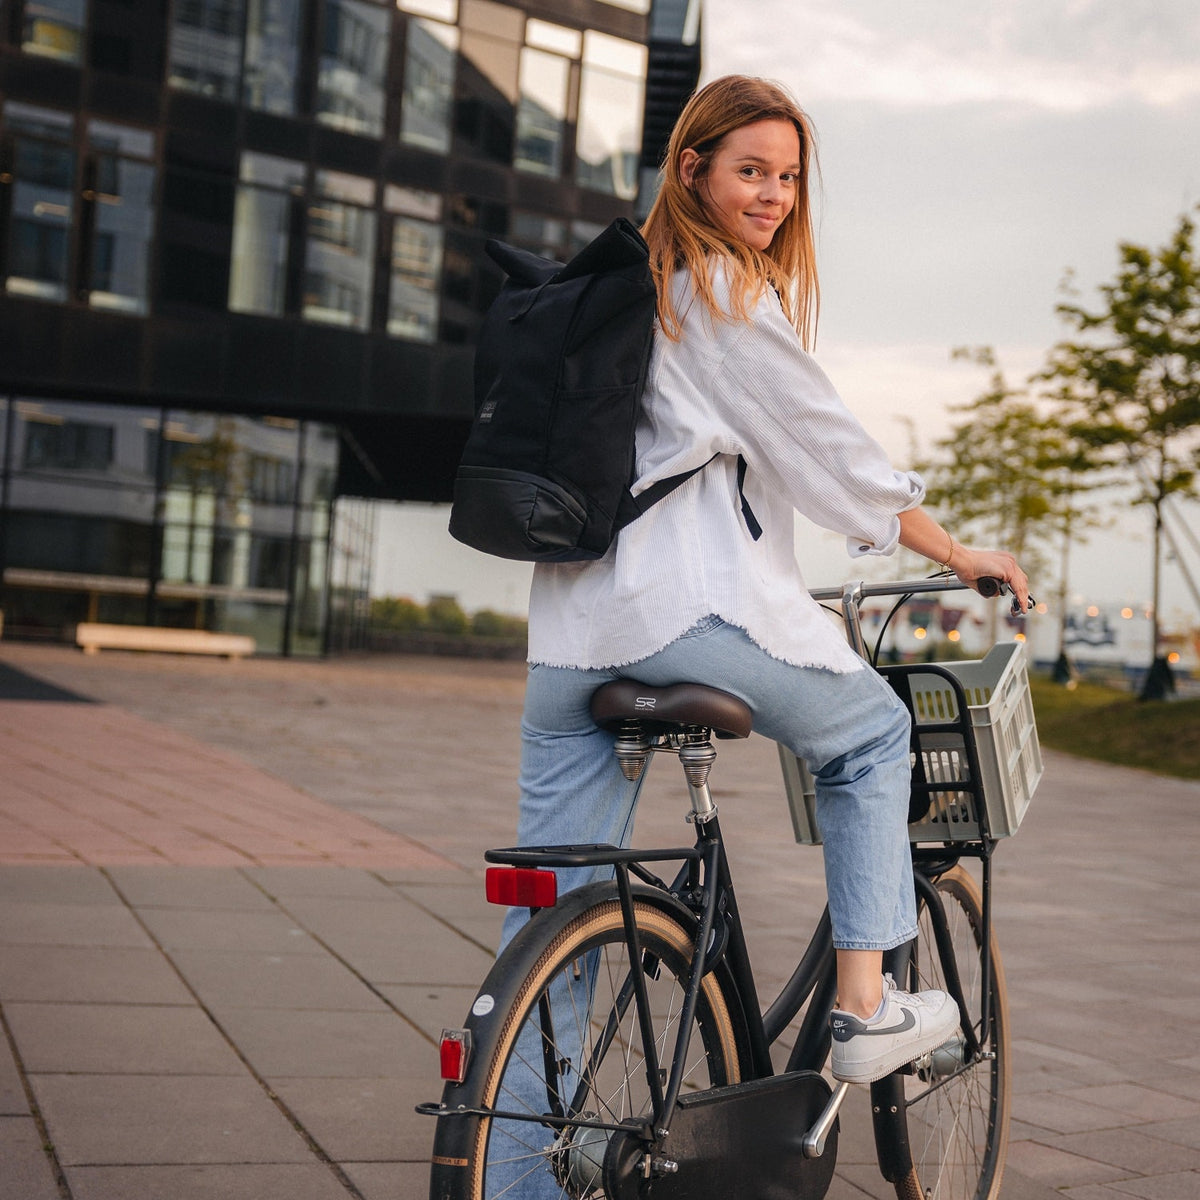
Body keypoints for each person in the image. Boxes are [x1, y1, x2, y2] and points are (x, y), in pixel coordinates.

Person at [500, 75, 1029, 1093]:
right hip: (676, 618)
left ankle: (515, 1168)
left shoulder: (624, 285)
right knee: (874, 733)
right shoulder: (719, 290)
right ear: (690, 169)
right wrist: (957, 553)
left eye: (787, 177)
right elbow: (832, 456)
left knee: (552, 926)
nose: (774, 195)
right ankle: (867, 1010)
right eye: (751, 171)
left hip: (568, 640)